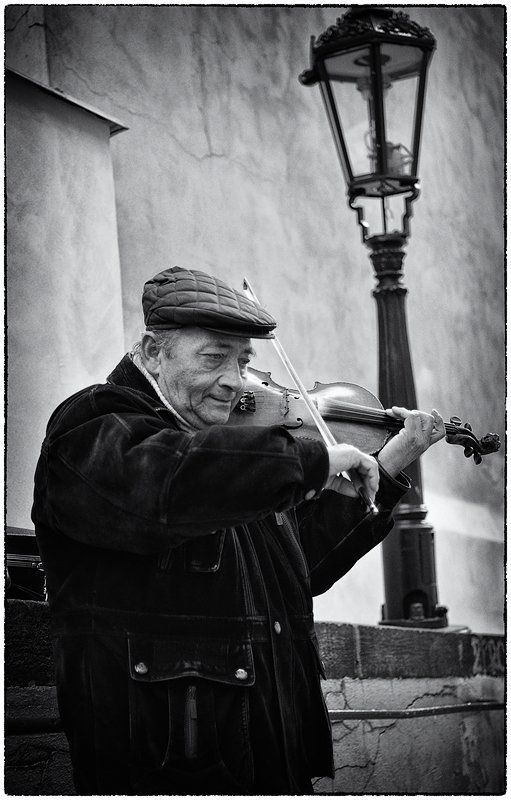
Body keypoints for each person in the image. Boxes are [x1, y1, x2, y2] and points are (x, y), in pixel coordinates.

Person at [32, 266, 445, 795]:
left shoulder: (231, 455)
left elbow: (301, 572)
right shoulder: (94, 425)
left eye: (244, 360)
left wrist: (387, 467)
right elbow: (166, 487)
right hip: (169, 764)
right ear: (154, 352)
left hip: (266, 752)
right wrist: (305, 462)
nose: (236, 380)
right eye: (213, 357)